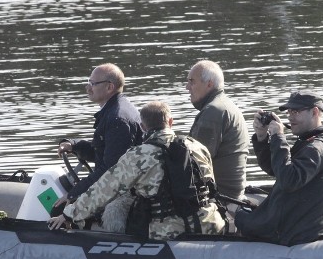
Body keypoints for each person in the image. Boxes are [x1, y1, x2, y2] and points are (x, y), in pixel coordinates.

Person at [49, 101, 226, 240]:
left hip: (167, 233)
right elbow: (210, 185)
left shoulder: (138, 155)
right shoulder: (198, 147)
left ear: (142, 127)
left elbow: (104, 189)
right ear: (171, 122)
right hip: (210, 224)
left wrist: (69, 214)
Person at [234, 91, 323, 245]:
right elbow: (277, 170)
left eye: (296, 112)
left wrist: (278, 137)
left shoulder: (317, 147)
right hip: (306, 223)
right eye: (289, 112)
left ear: (314, 112)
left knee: (237, 216)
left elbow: (289, 180)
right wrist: (262, 138)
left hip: (303, 231)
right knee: (240, 213)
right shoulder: (311, 141)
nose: (290, 117)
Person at [55, 63, 144, 206]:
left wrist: (74, 194)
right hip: (117, 185)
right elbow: (104, 153)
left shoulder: (117, 119)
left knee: (57, 209)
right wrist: (75, 146)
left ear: (109, 87)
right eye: (88, 82)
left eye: (93, 83)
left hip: (126, 195)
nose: (87, 87)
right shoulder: (114, 111)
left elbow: (110, 170)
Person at [186, 60, 249, 200]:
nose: (187, 87)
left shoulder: (213, 112)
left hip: (221, 197)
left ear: (209, 84)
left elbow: (194, 162)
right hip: (231, 193)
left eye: (192, 82)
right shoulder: (223, 105)